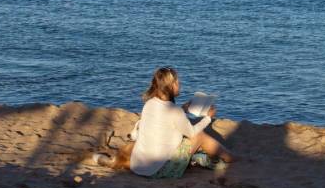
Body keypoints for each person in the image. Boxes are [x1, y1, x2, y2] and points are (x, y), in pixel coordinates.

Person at [97, 67, 235, 178]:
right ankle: (231, 158)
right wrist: (208, 118)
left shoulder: (149, 104)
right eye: (177, 82)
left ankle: (210, 159)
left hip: (138, 166)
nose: (179, 84)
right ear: (171, 86)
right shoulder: (174, 111)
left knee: (190, 139)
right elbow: (192, 132)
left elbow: (165, 119)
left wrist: (183, 110)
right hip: (158, 170)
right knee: (200, 136)